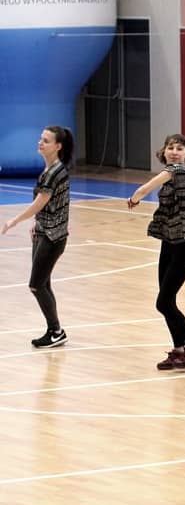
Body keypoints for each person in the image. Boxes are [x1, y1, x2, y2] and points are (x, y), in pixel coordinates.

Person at [127, 134, 185, 370]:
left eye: (179, 148)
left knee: (163, 302)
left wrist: (134, 199)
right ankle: (179, 349)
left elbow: (144, 188)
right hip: (170, 242)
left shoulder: (179, 170)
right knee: (167, 300)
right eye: (170, 147)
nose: (174, 151)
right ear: (164, 151)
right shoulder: (172, 174)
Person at [1, 126, 73, 348]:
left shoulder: (53, 173)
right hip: (43, 232)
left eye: (46, 141)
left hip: (53, 236)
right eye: (41, 139)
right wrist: (36, 222)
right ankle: (55, 331)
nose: (40, 143)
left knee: (36, 285)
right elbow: (48, 206)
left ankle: (56, 331)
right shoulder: (49, 169)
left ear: (58, 146)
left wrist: (15, 221)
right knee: (43, 283)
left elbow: (40, 202)